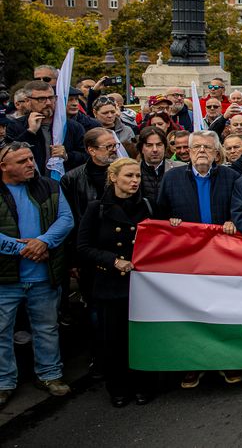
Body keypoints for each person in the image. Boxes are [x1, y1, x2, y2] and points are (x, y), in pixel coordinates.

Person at [76, 157, 156, 406]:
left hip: (141, 285)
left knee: (141, 338)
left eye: (137, 177)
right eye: (129, 176)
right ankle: (118, 387)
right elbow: (83, 247)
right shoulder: (96, 208)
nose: (134, 181)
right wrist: (113, 261)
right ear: (114, 177)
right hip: (111, 284)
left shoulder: (147, 206)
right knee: (114, 339)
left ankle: (143, 384)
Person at [0, 141, 74, 408]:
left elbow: (66, 220)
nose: (31, 164)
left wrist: (43, 242)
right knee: (2, 332)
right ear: (4, 166)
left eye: (31, 159)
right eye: (22, 161)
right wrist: (22, 250)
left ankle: (50, 375)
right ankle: (4, 382)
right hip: (6, 279)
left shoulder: (49, 186)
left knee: (46, 328)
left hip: (43, 275)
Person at [156, 131, 238, 227]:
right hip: (187, 239)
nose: (202, 150)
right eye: (197, 146)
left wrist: (232, 221)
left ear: (216, 154)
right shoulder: (171, 178)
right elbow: (161, 213)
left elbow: (240, 210)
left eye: (207, 147)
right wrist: (170, 220)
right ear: (190, 152)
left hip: (221, 239)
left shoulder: (232, 177)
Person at [10, 80, 87, 175]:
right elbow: (10, 156)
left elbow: (87, 155)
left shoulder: (72, 126)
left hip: (65, 184)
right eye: (41, 99)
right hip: (31, 184)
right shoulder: (15, 125)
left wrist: (67, 155)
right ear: (27, 101)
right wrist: (30, 132)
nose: (48, 102)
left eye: (51, 97)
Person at [136, 126, 181, 204]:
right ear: (141, 148)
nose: (155, 149)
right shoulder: (133, 170)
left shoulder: (180, 169)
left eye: (159, 144)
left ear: (165, 147)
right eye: (149, 145)